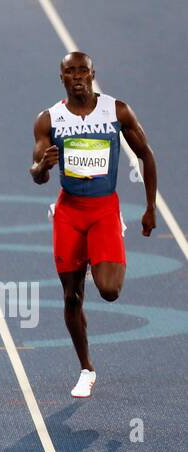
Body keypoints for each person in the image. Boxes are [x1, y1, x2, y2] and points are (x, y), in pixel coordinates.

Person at [31, 51, 157, 398]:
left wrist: (150, 208)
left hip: (103, 210)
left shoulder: (116, 111)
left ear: (92, 74)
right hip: (69, 212)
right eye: (69, 72)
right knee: (72, 297)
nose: (77, 77)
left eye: (82, 71)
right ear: (62, 78)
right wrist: (44, 166)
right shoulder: (49, 119)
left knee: (110, 291)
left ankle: (97, 256)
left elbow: (146, 155)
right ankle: (87, 368)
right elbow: (36, 174)